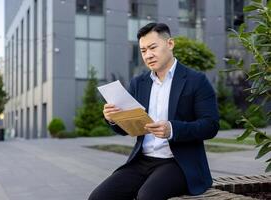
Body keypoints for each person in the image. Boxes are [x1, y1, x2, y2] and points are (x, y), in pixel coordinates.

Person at [88, 22, 219, 200]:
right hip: (141, 160)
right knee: (99, 197)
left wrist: (172, 129)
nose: (148, 55)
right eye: (143, 51)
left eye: (152, 47)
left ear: (170, 44)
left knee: (147, 196)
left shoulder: (196, 80)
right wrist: (113, 118)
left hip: (178, 162)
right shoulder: (139, 83)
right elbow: (125, 129)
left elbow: (210, 126)